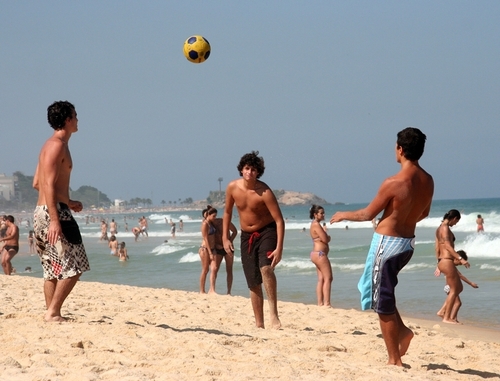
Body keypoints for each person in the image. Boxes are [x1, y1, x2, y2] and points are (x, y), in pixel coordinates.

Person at [329, 127, 434, 366]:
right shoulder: (428, 180)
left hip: (386, 245)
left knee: (382, 302)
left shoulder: (394, 182)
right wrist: (403, 221)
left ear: (400, 149)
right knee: (382, 293)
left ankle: (394, 359)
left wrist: (344, 214)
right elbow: (424, 212)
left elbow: (367, 214)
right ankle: (404, 332)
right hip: (407, 244)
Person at [32, 100, 90, 322]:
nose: (77, 120)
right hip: (53, 212)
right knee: (76, 265)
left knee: (52, 267)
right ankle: (53, 312)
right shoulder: (57, 145)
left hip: (44, 210)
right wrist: (56, 219)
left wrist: (69, 200)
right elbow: (45, 185)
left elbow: (37, 182)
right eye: (75, 116)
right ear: (67, 119)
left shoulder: (48, 145)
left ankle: (51, 313)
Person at [223, 151, 285, 329]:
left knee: (266, 268)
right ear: (241, 170)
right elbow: (227, 212)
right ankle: (259, 324)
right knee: (253, 281)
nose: (250, 172)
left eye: (254, 169)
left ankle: (273, 314)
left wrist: (279, 247)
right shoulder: (232, 188)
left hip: (267, 231)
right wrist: (225, 237)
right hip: (246, 236)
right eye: (247, 168)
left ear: (259, 172)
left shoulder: (264, 192)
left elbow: (279, 220)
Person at [435, 209, 471, 324]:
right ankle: (445, 317)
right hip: (447, 260)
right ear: (454, 218)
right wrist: (461, 259)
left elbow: (437, 247)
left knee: (458, 288)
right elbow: (448, 247)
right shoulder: (445, 228)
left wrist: (438, 264)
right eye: (456, 222)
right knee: (455, 289)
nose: (455, 224)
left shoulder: (439, 228)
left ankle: (445, 314)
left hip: (442, 261)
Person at [435, 250, 478, 322]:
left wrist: (438, 267)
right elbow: (460, 275)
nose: (458, 265)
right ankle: (452, 318)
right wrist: (471, 283)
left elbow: (440, 259)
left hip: (448, 287)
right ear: (456, 258)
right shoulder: (450, 266)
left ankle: (452, 318)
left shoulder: (448, 265)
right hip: (449, 287)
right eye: (459, 263)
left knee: (456, 302)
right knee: (457, 303)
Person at [309, 205, 333, 307]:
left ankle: (320, 303)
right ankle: (326, 303)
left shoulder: (315, 224)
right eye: (321, 213)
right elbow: (325, 239)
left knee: (321, 279)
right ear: (315, 214)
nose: (323, 215)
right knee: (328, 278)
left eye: (323, 213)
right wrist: (328, 236)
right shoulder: (316, 225)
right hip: (320, 254)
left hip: (316, 254)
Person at [213, 216, 237, 295]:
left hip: (228, 248)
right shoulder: (211, 223)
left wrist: (229, 241)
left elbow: (235, 231)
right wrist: (216, 244)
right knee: (215, 269)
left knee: (229, 270)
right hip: (218, 247)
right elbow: (210, 237)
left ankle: (229, 292)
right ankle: (213, 289)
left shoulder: (225, 221)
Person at [198, 206, 217, 294]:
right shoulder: (205, 224)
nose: (215, 218)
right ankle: (202, 290)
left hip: (213, 249)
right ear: (208, 215)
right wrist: (210, 253)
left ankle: (212, 290)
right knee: (205, 270)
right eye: (213, 216)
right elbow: (205, 238)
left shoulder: (212, 223)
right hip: (205, 249)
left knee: (214, 268)